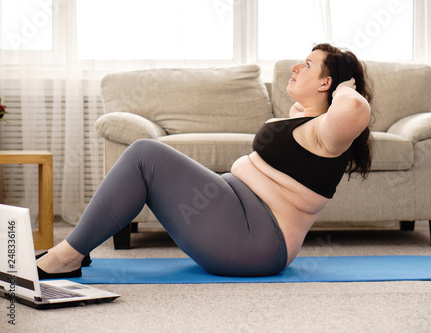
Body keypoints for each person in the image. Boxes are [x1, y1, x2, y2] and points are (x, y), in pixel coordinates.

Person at [36, 43, 372, 279]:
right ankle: (81, 245)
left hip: (256, 240)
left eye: (308, 65)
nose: (296, 67)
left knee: (144, 154)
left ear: (327, 83)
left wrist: (345, 89)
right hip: (240, 218)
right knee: (148, 161)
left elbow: (354, 110)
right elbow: (303, 124)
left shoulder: (329, 133)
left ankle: (67, 256)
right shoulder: (305, 119)